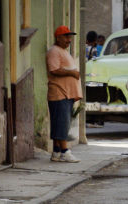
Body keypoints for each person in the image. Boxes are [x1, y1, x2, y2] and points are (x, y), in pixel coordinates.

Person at [46, 26, 82, 163]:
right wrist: (72, 73)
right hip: (59, 93)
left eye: (70, 37)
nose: (69, 40)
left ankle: (56, 151)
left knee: (60, 123)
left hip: (66, 94)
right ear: (58, 37)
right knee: (61, 123)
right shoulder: (54, 51)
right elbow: (54, 69)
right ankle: (65, 152)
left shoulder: (62, 51)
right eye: (66, 37)